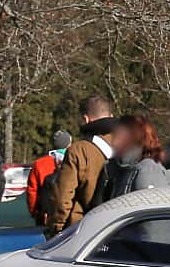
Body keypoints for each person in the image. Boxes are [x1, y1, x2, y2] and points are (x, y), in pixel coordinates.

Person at [39, 95, 116, 236]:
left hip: (84, 229)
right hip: (121, 226)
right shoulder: (130, 143)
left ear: (86, 119)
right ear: (111, 116)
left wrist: (56, 228)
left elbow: (63, 197)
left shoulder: (79, 150)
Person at [102, 114, 170, 198]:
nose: (114, 142)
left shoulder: (148, 171)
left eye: (120, 137)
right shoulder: (122, 170)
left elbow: (149, 208)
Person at [23, 130, 69, 223]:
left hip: (45, 215)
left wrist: (35, 212)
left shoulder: (40, 164)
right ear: (68, 144)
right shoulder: (73, 160)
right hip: (68, 213)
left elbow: (32, 191)